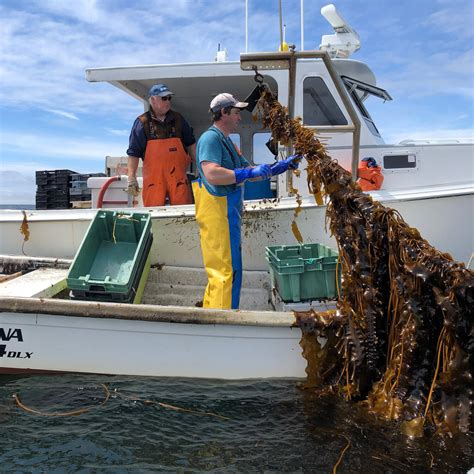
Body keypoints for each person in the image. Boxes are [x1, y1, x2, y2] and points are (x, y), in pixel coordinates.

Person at [193, 93, 300, 310]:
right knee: (224, 272)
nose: (239, 118)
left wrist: (280, 167)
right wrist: (245, 173)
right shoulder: (210, 138)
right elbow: (212, 173)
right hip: (217, 214)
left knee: (230, 269)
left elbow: (250, 171)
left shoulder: (227, 142)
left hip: (227, 212)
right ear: (223, 113)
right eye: (236, 113)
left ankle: (214, 313)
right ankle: (221, 323)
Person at [126, 83, 196, 206]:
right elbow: (134, 153)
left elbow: (191, 144)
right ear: (152, 99)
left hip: (178, 182)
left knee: (183, 215)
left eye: (169, 98)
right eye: (164, 98)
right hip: (154, 184)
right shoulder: (142, 123)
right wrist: (131, 178)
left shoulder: (179, 119)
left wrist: (199, 167)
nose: (168, 101)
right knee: (154, 217)